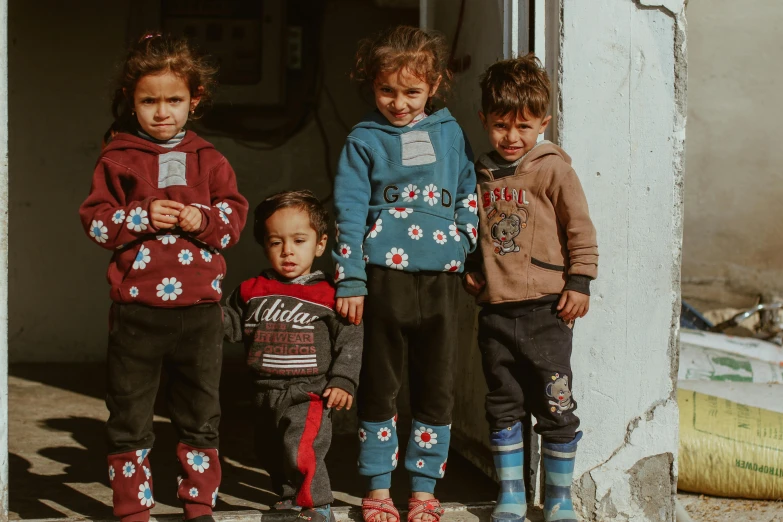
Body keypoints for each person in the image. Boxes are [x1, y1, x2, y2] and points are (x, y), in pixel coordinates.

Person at [79, 33, 248, 522]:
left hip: (199, 316)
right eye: (148, 100)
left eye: (173, 100)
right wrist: (142, 215)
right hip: (137, 314)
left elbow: (234, 221)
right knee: (129, 413)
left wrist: (205, 221)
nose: (161, 111)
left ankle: (198, 504)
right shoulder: (119, 157)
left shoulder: (210, 159)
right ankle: (133, 509)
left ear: (194, 100)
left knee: (201, 414)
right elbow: (95, 221)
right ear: (131, 101)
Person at [332, 25, 479, 522]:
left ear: (434, 84)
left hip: (440, 282)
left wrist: (465, 244)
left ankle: (422, 488)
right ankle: (376, 488)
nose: (398, 103)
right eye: (386, 90)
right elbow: (349, 211)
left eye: (411, 91)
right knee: (381, 383)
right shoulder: (364, 140)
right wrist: (351, 278)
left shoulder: (450, 132)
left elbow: (467, 191)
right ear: (372, 85)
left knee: (435, 385)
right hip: (383, 280)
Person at [463, 53, 598, 522]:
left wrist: (579, 280)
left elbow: (579, 227)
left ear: (543, 122)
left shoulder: (553, 169)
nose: (512, 137)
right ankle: (512, 496)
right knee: (504, 405)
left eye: (523, 126)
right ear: (484, 120)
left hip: (547, 311)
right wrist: (471, 264)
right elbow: (472, 229)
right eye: (501, 125)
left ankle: (558, 500)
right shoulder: (479, 173)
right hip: (496, 312)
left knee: (556, 404)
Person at [223, 190, 362, 522]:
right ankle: (289, 497)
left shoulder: (329, 293)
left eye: (299, 240)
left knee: (302, 451)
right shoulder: (250, 290)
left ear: (319, 244)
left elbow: (351, 337)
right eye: (275, 242)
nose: (287, 251)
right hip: (262, 391)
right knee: (271, 451)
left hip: (308, 392)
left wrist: (343, 380)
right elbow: (227, 325)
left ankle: (317, 506)